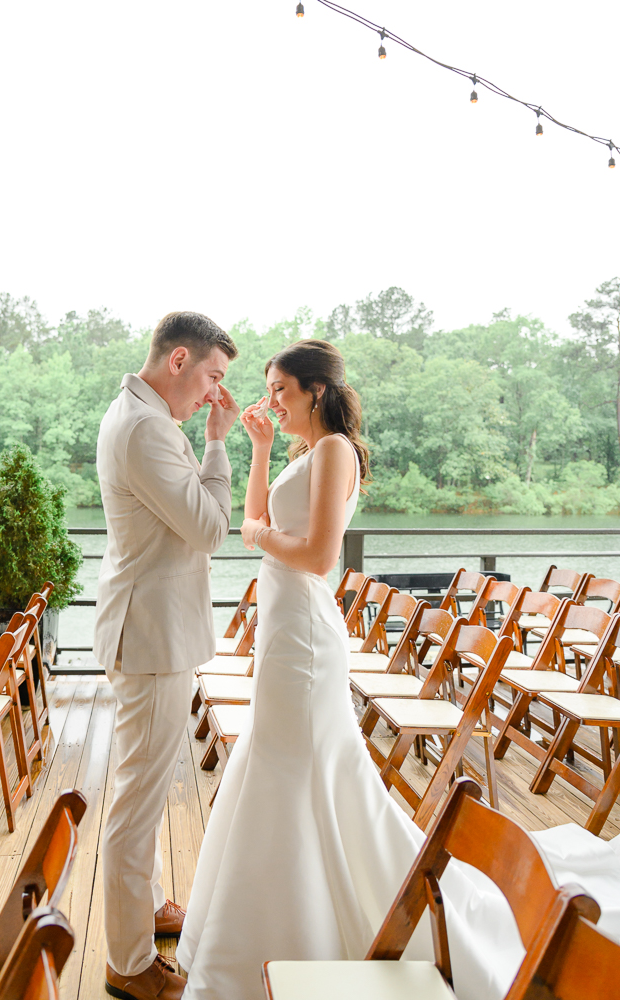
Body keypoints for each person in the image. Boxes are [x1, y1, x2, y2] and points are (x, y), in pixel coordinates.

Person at [176, 339, 620, 1000]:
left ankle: (305, 932)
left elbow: (319, 554)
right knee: (283, 763)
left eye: (280, 390)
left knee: (293, 764)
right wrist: (261, 449)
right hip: (284, 628)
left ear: (315, 391)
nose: (271, 400)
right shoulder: (305, 451)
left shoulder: (335, 452)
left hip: (301, 633)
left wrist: (260, 538)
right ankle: (270, 927)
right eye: (268, 390)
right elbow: (259, 516)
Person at [96, 311, 240, 1000]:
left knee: (143, 790)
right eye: (213, 376)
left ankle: (148, 907)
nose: (215, 393)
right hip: (151, 635)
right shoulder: (148, 430)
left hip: (152, 628)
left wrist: (202, 437)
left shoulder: (144, 417)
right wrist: (218, 445)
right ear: (178, 360)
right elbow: (211, 529)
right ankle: (128, 964)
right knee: (135, 798)